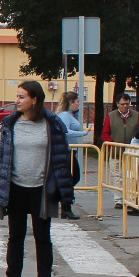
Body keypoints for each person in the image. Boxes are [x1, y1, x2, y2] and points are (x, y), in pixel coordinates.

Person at [0, 80, 74, 277]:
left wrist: (65, 192)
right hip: (16, 187)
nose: (16, 101)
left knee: (42, 237)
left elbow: (61, 158)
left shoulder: (52, 124)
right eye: (17, 96)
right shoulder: (11, 124)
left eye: (21, 97)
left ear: (34, 99)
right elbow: (2, 155)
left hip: (41, 189)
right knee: (15, 237)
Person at [55, 90, 86, 219]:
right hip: (66, 151)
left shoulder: (70, 114)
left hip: (70, 151)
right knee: (72, 178)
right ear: (71, 102)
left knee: (73, 178)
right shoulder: (65, 116)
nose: (79, 104)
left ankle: (64, 203)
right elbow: (65, 131)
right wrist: (83, 133)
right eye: (77, 102)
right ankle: (63, 202)